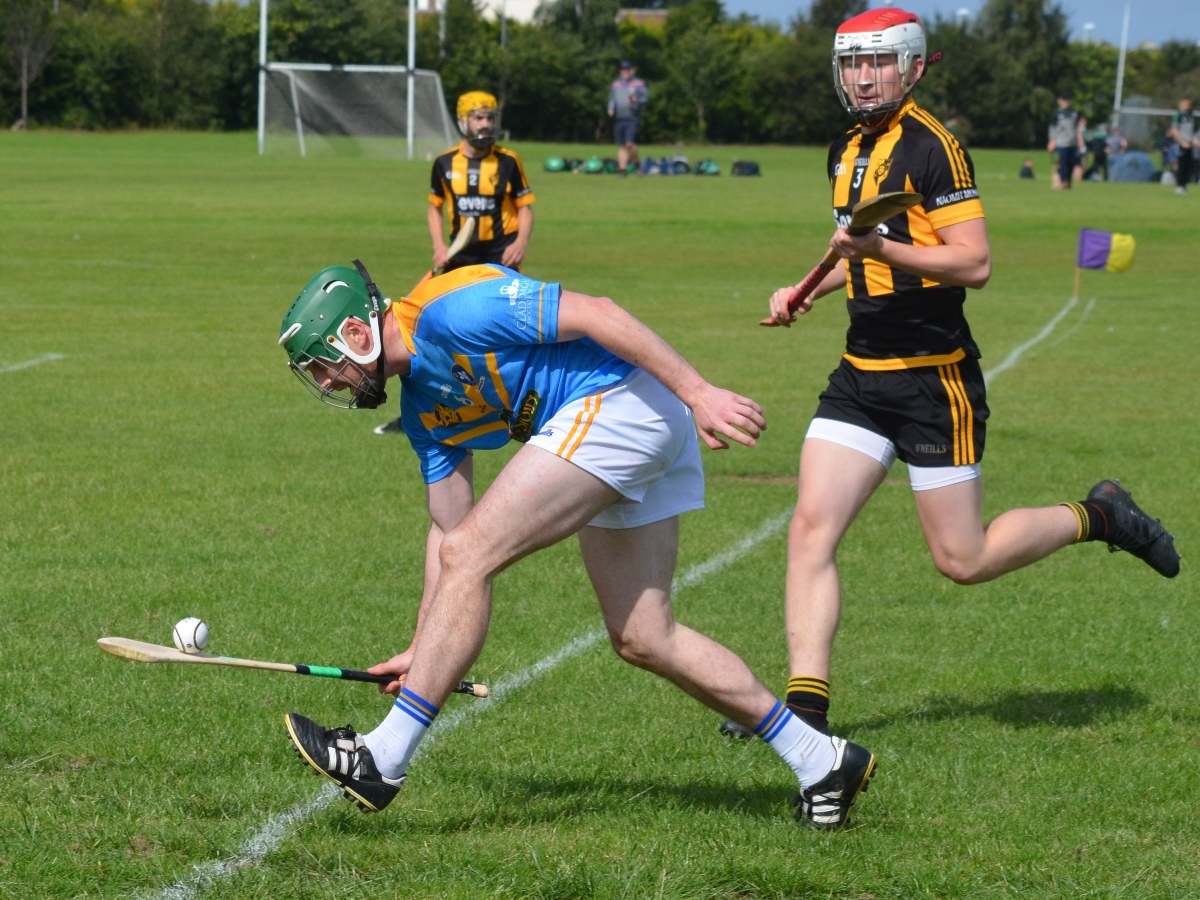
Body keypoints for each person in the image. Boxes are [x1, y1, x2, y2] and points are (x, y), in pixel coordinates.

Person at [276, 259, 878, 829]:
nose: (329, 383)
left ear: (356, 332)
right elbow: (448, 533)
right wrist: (420, 647)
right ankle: (822, 760)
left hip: (621, 402)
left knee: (474, 556)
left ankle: (382, 758)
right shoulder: (422, 410)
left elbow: (598, 312)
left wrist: (700, 392)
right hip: (619, 422)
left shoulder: (448, 311)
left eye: (324, 365)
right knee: (644, 637)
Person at [750, 7, 1179, 741]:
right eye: (852, 62)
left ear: (912, 67)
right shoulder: (845, 146)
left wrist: (879, 254)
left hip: (932, 382)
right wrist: (804, 289)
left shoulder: (934, 148)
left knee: (963, 558)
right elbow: (856, 248)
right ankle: (806, 713)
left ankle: (1100, 515)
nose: (862, 76)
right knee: (810, 532)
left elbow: (972, 262)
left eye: (877, 62)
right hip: (860, 374)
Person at [375, 91, 536, 436]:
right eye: (478, 117)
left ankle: (516, 409)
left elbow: (524, 206)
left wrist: (521, 242)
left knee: (513, 335)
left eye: (489, 117)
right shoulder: (445, 164)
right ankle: (421, 410)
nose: (485, 124)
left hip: (499, 259)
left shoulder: (508, 161)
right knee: (419, 329)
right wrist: (438, 245)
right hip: (457, 262)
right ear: (462, 121)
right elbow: (434, 207)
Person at [608, 61, 648, 176]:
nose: (624, 72)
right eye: (622, 70)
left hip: (633, 118)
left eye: (627, 70)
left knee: (629, 143)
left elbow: (646, 99)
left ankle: (637, 164)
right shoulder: (616, 84)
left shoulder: (638, 83)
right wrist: (611, 108)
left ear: (632, 71)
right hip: (619, 118)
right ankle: (622, 170)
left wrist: (636, 100)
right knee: (622, 145)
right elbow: (612, 98)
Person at [1048, 91, 1084, 190]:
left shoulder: (1074, 113)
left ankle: (1068, 181)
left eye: (1067, 100)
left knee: (1071, 163)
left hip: (1073, 143)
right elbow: (1052, 128)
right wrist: (1052, 141)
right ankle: (1064, 182)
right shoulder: (1057, 113)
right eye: (1064, 100)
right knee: (1063, 162)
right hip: (1061, 142)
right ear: (1059, 101)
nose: (1066, 103)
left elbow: (1078, 128)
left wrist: (1080, 141)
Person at [1166, 97, 1195, 195]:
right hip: (1182, 144)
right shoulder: (1178, 114)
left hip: (1189, 143)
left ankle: (1184, 185)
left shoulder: (1191, 114)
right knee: (1182, 165)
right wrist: (1182, 142)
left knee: (1188, 165)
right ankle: (1179, 186)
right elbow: (1174, 130)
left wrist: (1192, 141)